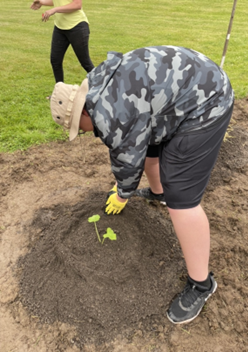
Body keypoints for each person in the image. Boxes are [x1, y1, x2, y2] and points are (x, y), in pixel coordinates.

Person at [50, 45, 234, 324]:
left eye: (78, 127)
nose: (85, 134)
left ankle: (201, 284)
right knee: (151, 147)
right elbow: (139, 137)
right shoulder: (100, 83)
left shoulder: (111, 114)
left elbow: (126, 157)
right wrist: (124, 185)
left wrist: (123, 193)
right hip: (192, 85)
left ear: (83, 114)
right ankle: (158, 193)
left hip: (206, 104)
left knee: (181, 196)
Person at [30, 0, 94, 87]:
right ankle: (59, 92)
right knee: (55, 61)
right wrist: (42, 2)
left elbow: (77, 5)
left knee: (85, 63)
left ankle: (103, 89)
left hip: (77, 26)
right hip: (60, 28)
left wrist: (54, 10)